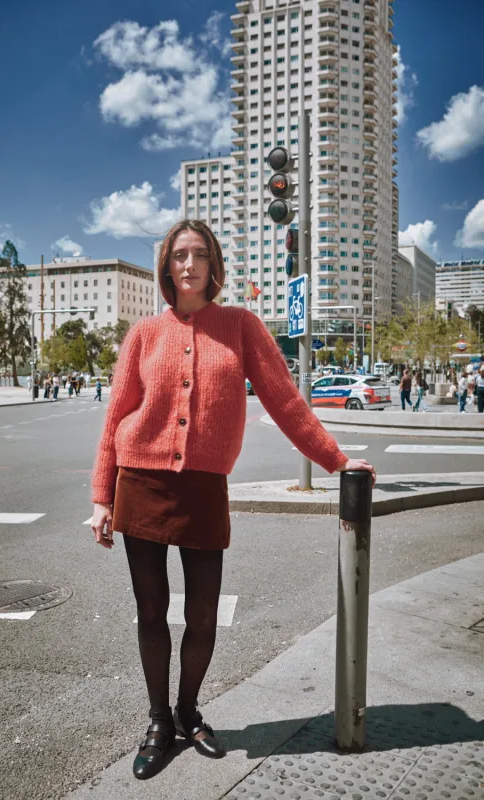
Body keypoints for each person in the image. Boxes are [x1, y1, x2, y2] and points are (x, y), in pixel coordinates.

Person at [90, 219, 376, 781]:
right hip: (141, 482)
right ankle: (157, 722)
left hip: (203, 489)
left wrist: (336, 461)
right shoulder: (144, 334)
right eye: (179, 256)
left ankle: (188, 710)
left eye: (199, 255)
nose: (189, 265)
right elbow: (115, 416)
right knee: (151, 611)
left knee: (201, 616)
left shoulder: (241, 326)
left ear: (213, 264)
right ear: (167, 267)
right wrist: (102, 495)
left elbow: (286, 401)